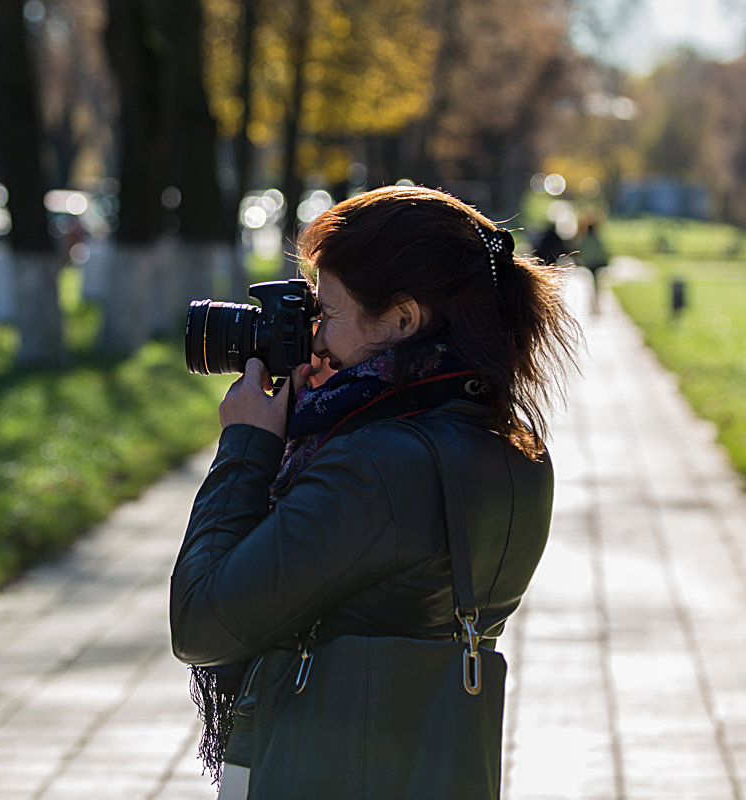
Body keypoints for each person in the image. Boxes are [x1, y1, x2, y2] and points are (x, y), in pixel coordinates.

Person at [170, 186, 581, 797]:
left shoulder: (375, 467)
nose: (314, 339)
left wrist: (247, 446)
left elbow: (202, 623)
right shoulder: (512, 446)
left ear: (403, 319)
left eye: (329, 313)